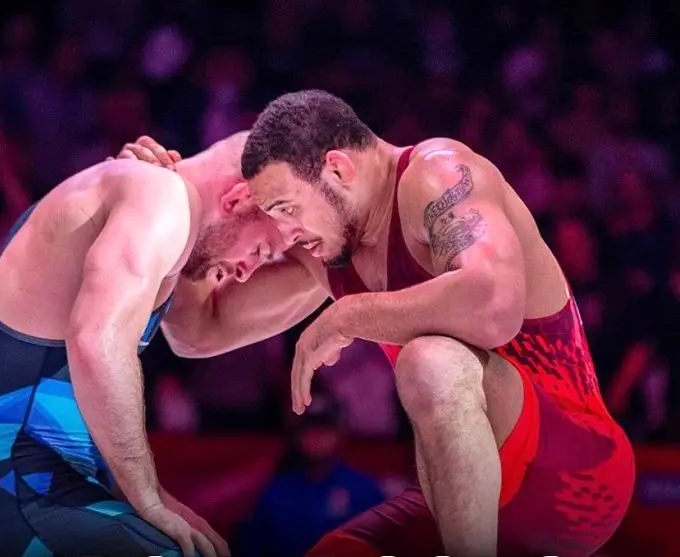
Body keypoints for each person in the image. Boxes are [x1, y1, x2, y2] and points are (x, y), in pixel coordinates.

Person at [124, 90, 635, 557]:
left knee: (431, 360)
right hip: (467, 495)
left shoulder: (437, 173)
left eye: (287, 208)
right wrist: (166, 207)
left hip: (575, 474)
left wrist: (349, 314)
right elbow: (197, 332)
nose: (286, 233)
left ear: (337, 169)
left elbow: (494, 307)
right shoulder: (327, 251)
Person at [0, 133, 289, 557]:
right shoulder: (160, 195)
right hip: (13, 490)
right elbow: (96, 343)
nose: (248, 271)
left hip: (19, 488)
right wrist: (149, 499)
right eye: (262, 251)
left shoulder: (138, 197)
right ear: (239, 198)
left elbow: (198, 332)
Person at [237, 391, 385, 557]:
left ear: (340, 433)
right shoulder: (275, 493)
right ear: (296, 435)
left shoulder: (365, 491)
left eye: (325, 427)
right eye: (310, 428)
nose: (316, 436)